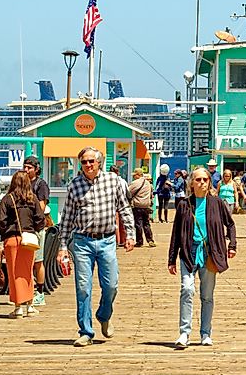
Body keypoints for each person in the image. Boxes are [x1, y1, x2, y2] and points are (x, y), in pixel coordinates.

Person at [56, 147, 136, 347]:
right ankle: (86, 331)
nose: (88, 165)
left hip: (107, 240)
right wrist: (63, 246)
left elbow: (124, 207)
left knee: (111, 285)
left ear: (99, 162)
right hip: (82, 241)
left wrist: (130, 234)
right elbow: (67, 218)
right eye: (84, 162)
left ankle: (104, 314)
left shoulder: (113, 181)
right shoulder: (75, 186)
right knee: (83, 287)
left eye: (91, 161)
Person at [168, 167, 237, 348]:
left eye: (205, 180)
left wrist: (232, 246)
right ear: (192, 182)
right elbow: (176, 232)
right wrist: (171, 258)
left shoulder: (217, 203)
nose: (202, 183)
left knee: (207, 296)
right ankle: (184, 333)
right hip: (188, 254)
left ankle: (205, 333)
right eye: (198, 180)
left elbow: (230, 224)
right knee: (187, 290)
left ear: (209, 182)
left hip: (209, 254)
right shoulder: (184, 204)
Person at [0, 171, 45, 318]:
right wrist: (34, 230)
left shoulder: (7, 199)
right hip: (28, 238)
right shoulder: (32, 199)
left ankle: (18, 307)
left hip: (12, 239)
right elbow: (40, 219)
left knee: (14, 273)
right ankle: (29, 305)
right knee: (27, 271)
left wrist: (5, 235)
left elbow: (1, 220)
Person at [22, 155, 51, 307]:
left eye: (29, 168)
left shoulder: (41, 185)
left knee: (38, 261)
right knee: (25, 261)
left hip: (36, 227)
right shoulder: (22, 183)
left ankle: (40, 292)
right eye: (25, 167)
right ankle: (26, 290)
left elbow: (41, 206)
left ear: (36, 169)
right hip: (23, 227)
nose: (26, 170)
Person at [129, 168, 156, 248]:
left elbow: (128, 192)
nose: (134, 177)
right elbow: (151, 194)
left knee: (138, 224)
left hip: (137, 206)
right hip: (146, 206)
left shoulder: (135, 183)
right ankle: (150, 240)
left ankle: (139, 241)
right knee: (146, 224)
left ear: (138, 175)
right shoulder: (148, 183)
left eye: (134, 175)